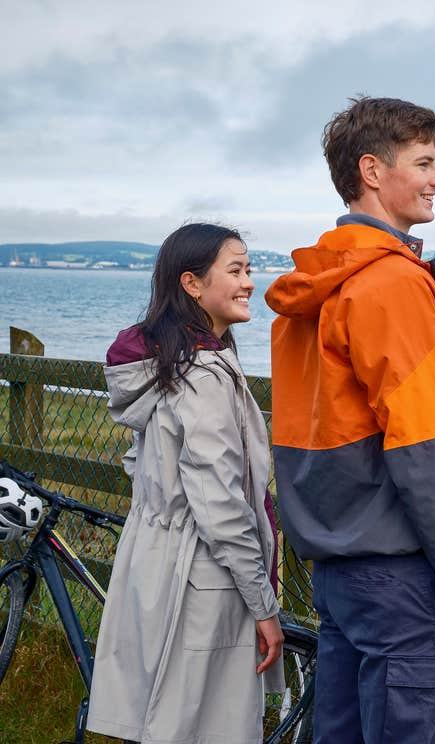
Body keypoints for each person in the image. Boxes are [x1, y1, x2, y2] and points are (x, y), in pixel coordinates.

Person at [264, 96, 435, 743]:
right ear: (373, 170)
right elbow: (429, 458)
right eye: (425, 162)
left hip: (339, 573)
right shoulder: (393, 285)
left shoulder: (311, 289)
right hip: (400, 579)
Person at [88, 223, 284, 744]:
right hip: (202, 582)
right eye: (236, 269)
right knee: (203, 727)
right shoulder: (203, 376)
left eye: (249, 268)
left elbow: (143, 461)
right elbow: (222, 507)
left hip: (152, 565)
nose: (249, 282)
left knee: (163, 722)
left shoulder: (167, 366)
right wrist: (264, 606)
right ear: (192, 284)